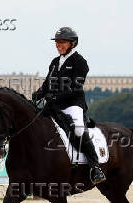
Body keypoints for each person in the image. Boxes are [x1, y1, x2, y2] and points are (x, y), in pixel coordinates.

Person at [32, 27, 106, 184]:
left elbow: (75, 88)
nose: (59, 45)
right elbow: (47, 83)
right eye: (57, 42)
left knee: (78, 130)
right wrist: (39, 93)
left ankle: (95, 167)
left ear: (72, 44)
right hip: (53, 105)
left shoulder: (80, 62)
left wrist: (56, 96)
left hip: (72, 104)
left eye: (62, 42)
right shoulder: (54, 62)